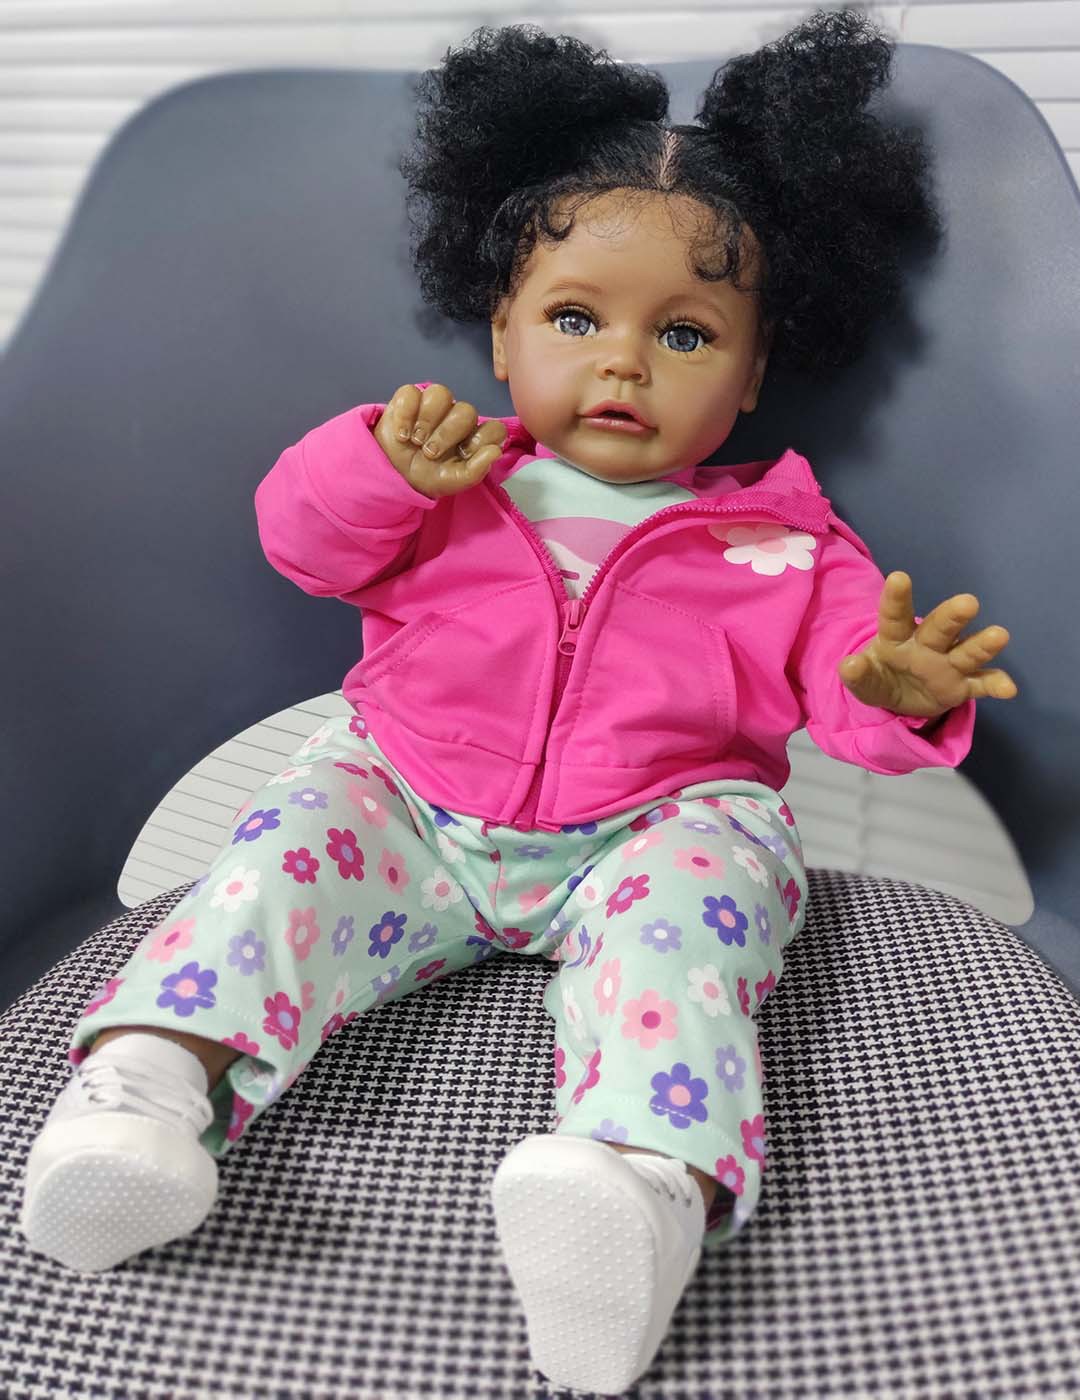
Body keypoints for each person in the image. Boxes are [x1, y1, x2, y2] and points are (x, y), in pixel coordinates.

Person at [19, 8, 1018, 1393]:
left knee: (697, 920)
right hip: (408, 802)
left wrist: (889, 691)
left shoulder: (789, 544)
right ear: (501, 331)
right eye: (574, 318)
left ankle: (635, 1190)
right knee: (276, 854)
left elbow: (851, 697)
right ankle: (141, 1100)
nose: (622, 362)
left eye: (684, 333)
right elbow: (303, 542)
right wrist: (375, 468)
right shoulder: (442, 474)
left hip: (657, 823)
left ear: (751, 373)